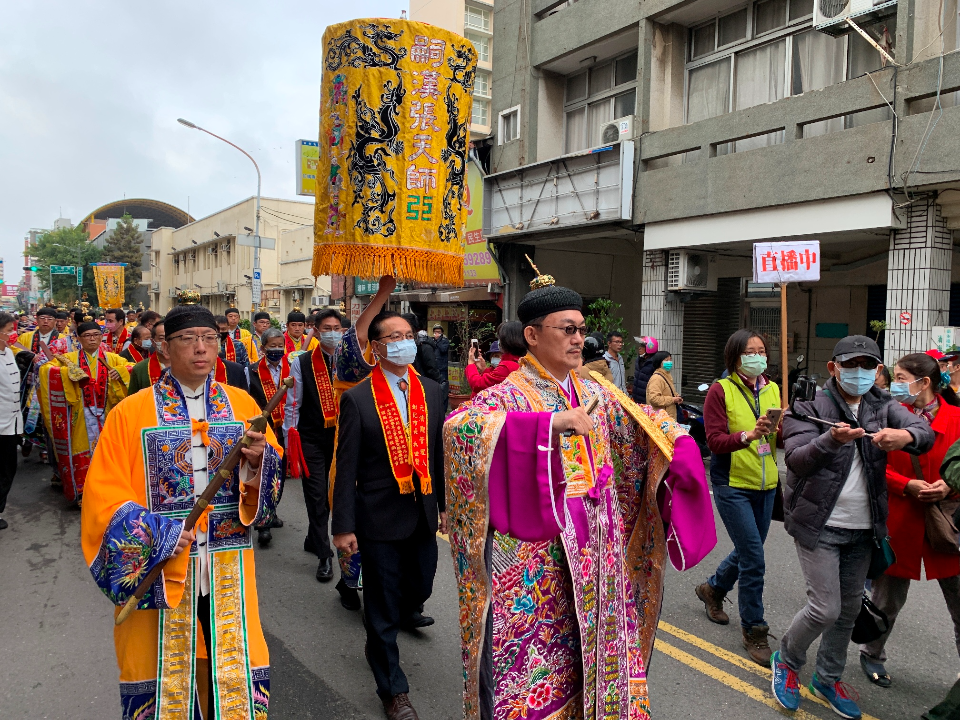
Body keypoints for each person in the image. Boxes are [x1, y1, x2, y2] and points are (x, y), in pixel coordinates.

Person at [443, 278, 713, 720]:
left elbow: (640, 424)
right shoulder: (507, 393)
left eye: (580, 329)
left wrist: (674, 440)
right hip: (539, 551)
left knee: (601, 645)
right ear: (532, 335)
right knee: (542, 654)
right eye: (565, 329)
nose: (578, 339)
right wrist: (545, 426)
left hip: (599, 544)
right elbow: (461, 430)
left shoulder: (595, 390)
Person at [80, 303, 282, 719]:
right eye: (188, 339)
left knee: (229, 667)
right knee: (164, 670)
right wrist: (163, 534)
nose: (201, 349)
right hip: (166, 565)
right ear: (164, 350)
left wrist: (258, 462)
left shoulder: (243, 404)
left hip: (228, 564)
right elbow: (103, 498)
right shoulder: (130, 414)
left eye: (210, 339)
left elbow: (272, 480)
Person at [772, 335, 934, 718]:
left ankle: (827, 678)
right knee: (824, 609)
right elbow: (795, 459)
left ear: (877, 371)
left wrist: (905, 435)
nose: (858, 373)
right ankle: (788, 661)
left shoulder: (885, 405)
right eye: (850, 364)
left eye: (867, 366)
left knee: (847, 612)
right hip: (820, 523)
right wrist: (830, 439)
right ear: (833, 367)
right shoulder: (810, 404)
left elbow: (923, 434)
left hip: (865, 529)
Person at [332, 310, 447, 720]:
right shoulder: (358, 398)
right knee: (381, 605)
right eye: (394, 336)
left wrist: (445, 505)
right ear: (377, 347)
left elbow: (438, 453)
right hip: (377, 515)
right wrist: (343, 526)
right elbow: (346, 467)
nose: (404, 342)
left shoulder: (432, 390)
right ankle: (393, 690)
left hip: (423, 512)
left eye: (409, 335)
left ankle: (383, 634)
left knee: (419, 585)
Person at [859, 353, 960, 686]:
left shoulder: (957, 417)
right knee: (888, 598)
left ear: (925, 382)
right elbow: (873, 466)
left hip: (946, 520)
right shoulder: (889, 415)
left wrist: (950, 483)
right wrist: (908, 485)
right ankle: (872, 653)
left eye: (900, 377)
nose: (894, 383)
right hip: (900, 517)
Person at [696, 329, 781, 665]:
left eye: (761, 350)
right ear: (734, 356)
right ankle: (754, 629)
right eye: (750, 351)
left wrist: (784, 429)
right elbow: (715, 442)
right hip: (732, 484)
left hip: (768, 484)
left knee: (750, 551)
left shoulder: (773, 388)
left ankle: (713, 589)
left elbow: (779, 441)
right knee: (754, 559)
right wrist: (749, 434)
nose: (757, 356)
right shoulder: (721, 391)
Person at [38, 321, 130, 502]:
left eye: (96, 334)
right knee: (82, 449)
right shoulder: (69, 358)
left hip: (107, 411)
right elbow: (46, 369)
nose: (93, 339)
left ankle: (109, 489)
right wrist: (66, 373)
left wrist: (120, 371)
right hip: (80, 412)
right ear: (78, 338)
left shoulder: (112, 358)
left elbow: (131, 367)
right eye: (88, 335)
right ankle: (83, 492)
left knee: (109, 450)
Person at [287, 309, 343, 587]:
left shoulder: (352, 361)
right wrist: (290, 439)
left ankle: (313, 537)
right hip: (311, 438)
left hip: (343, 438)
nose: (332, 332)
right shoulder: (303, 361)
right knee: (317, 495)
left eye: (337, 327)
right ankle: (325, 554)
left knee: (339, 495)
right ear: (317, 332)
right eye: (327, 328)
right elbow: (292, 403)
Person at [246, 327, 295, 547]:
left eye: (280, 346)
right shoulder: (252, 371)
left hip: (285, 430)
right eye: (272, 346)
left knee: (280, 474)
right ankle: (263, 525)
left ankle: (271, 511)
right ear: (263, 347)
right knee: (263, 474)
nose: (276, 350)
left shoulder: (293, 369)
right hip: (263, 431)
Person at [0, 313, 34, 531]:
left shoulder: (8, 354)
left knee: (7, 468)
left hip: (10, 422)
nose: (14, 335)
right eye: (8, 331)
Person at [465, 321, 524, 395]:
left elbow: (477, 385)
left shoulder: (507, 367)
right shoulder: (522, 362)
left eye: (500, 338)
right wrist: (484, 369)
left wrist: (471, 364)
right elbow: (494, 380)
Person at [127, 321, 170, 395]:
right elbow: (132, 401)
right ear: (153, 342)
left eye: (169, 338)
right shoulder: (140, 369)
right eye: (161, 338)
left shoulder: (187, 366)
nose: (165, 342)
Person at [401, 313, 442, 384]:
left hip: (422, 384)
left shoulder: (424, 345)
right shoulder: (402, 344)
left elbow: (432, 368)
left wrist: (439, 384)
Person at [645, 351, 682, 420]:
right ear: (659, 363)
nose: (669, 362)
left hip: (668, 418)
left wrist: (676, 396)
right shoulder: (656, 378)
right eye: (666, 360)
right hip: (660, 420)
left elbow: (666, 391)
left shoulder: (666, 375)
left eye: (670, 359)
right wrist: (672, 399)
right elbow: (654, 399)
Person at [631, 335, 659, 404]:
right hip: (636, 399)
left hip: (647, 400)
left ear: (650, 348)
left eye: (642, 346)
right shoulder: (639, 360)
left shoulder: (654, 363)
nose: (639, 348)